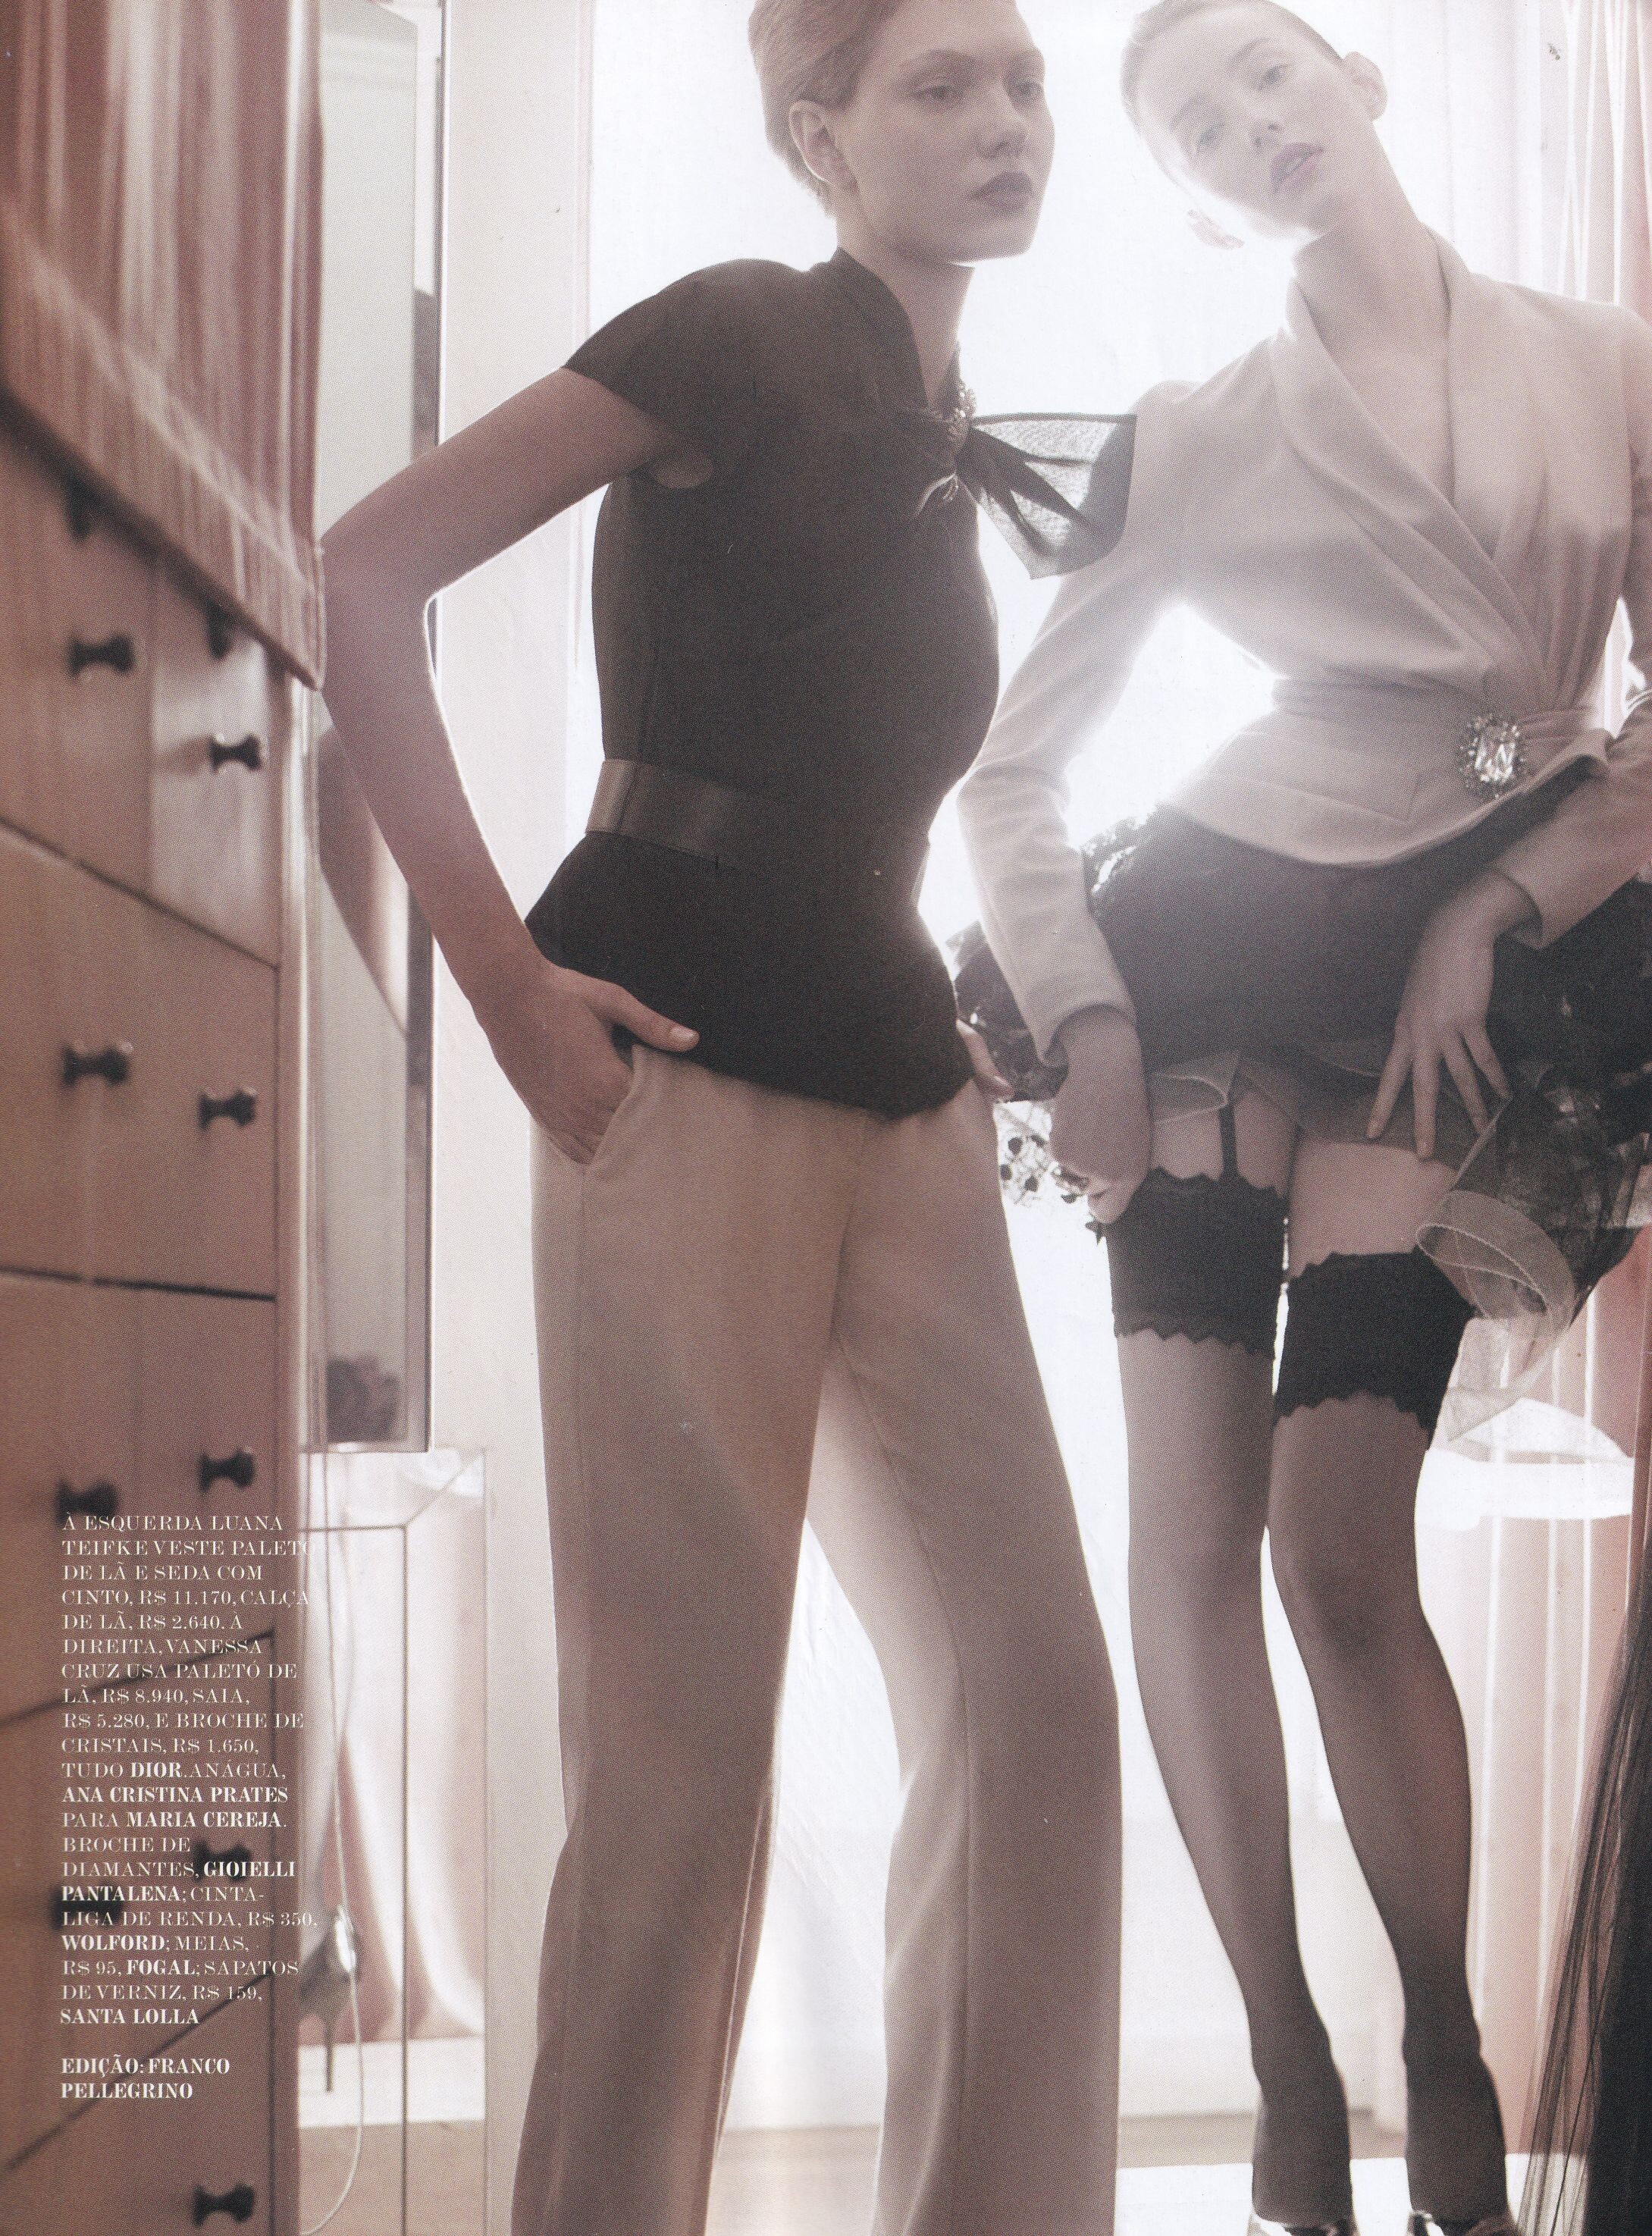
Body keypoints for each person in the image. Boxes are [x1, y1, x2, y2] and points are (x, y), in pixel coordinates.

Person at [319, 4, 1139, 2232]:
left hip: (900, 1082)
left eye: (1023, 81)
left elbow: (871, 781)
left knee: (1037, 1707)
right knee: (679, 1767)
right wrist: (502, 993)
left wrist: (987, 1010)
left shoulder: (943, 413)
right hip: (669, 1059)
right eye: (939, 85)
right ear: (817, 136)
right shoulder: (739, 326)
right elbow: (364, 575)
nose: (1004, 121)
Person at [955, 4, 1652, 2233]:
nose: (1248, 122)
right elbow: (1009, 773)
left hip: (1480, 963)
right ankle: (1280, 2055)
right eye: (1194, 125)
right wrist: (1080, 1012)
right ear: (1189, 201)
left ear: (1356, 74)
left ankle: (1439, 2039)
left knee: (1336, 1545)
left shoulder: (1607, 360)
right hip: (1210, 961)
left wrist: (1498, 903)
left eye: (1265, 70)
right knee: (1184, 1532)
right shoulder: (1191, 435)